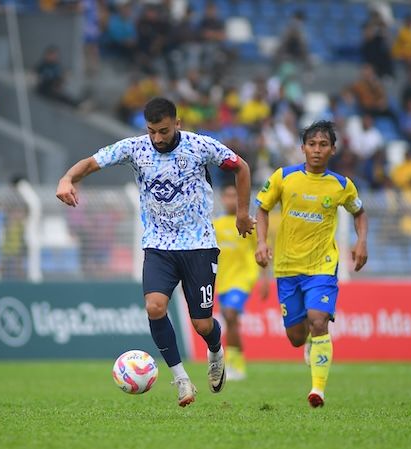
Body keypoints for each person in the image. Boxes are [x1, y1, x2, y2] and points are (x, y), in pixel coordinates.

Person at [56, 97, 255, 407]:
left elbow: (240, 167)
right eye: (152, 131)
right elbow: (92, 163)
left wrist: (242, 213)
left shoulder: (199, 146)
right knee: (154, 308)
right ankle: (181, 379)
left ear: (177, 123)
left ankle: (216, 350)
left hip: (198, 245)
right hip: (158, 246)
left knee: (202, 325)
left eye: (163, 131)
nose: (158, 138)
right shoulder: (136, 149)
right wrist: (67, 178)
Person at [254, 120, 368, 408]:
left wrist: (361, 241)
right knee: (295, 336)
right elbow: (263, 208)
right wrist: (261, 242)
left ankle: (317, 390)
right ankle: (307, 343)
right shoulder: (284, 177)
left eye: (323, 145)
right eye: (312, 144)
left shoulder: (342, 185)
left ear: (333, 149)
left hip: (322, 265)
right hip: (287, 267)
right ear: (303, 148)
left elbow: (360, 213)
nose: (317, 150)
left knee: (319, 321)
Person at [214, 182, 269, 381]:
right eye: (227, 196)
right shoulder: (216, 225)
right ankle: (235, 362)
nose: (231, 200)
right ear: (222, 199)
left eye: (235, 196)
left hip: (244, 277)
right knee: (230, 320)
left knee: (230, 314)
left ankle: (234, 364)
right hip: (224, 280)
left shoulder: (248, 223)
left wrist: (264, 279)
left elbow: (261, 251)